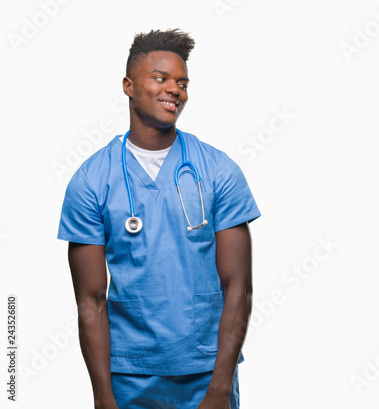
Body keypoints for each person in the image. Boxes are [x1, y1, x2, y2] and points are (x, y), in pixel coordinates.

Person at [57, 28, 261, 409]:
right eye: (161, 78)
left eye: (182, 82)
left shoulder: (218, 171)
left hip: (206, 373)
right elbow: (90, 300)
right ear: (129, 86)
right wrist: (103, 396)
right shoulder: (92, 180)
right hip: (128, 378)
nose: (175, 90)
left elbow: (239, 288)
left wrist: (219, 389)